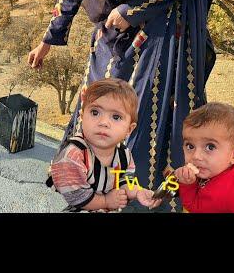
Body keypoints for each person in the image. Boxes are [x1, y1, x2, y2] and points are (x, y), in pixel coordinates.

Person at [28, 0, 220, 209]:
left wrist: (134, 8)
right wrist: (48, 40)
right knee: (99, 86)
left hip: (167, 15)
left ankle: (145, 191)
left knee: (143, 102)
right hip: (123, 19)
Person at [48, 78, 161, 212]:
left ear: (129, 130)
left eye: (116, 117)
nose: (104, 122)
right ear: (82, 117)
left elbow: (124, 181)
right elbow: (76, 197)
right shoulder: (74, 154)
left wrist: (138, 192)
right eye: (95, 112)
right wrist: (106, 201)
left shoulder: (123, 155)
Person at [174, 102, 234, 213]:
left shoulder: (224, 194)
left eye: (210, 147)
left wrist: (187, 184)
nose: (196, 156)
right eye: (190, 146)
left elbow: (195, 207)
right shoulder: (224, 163)